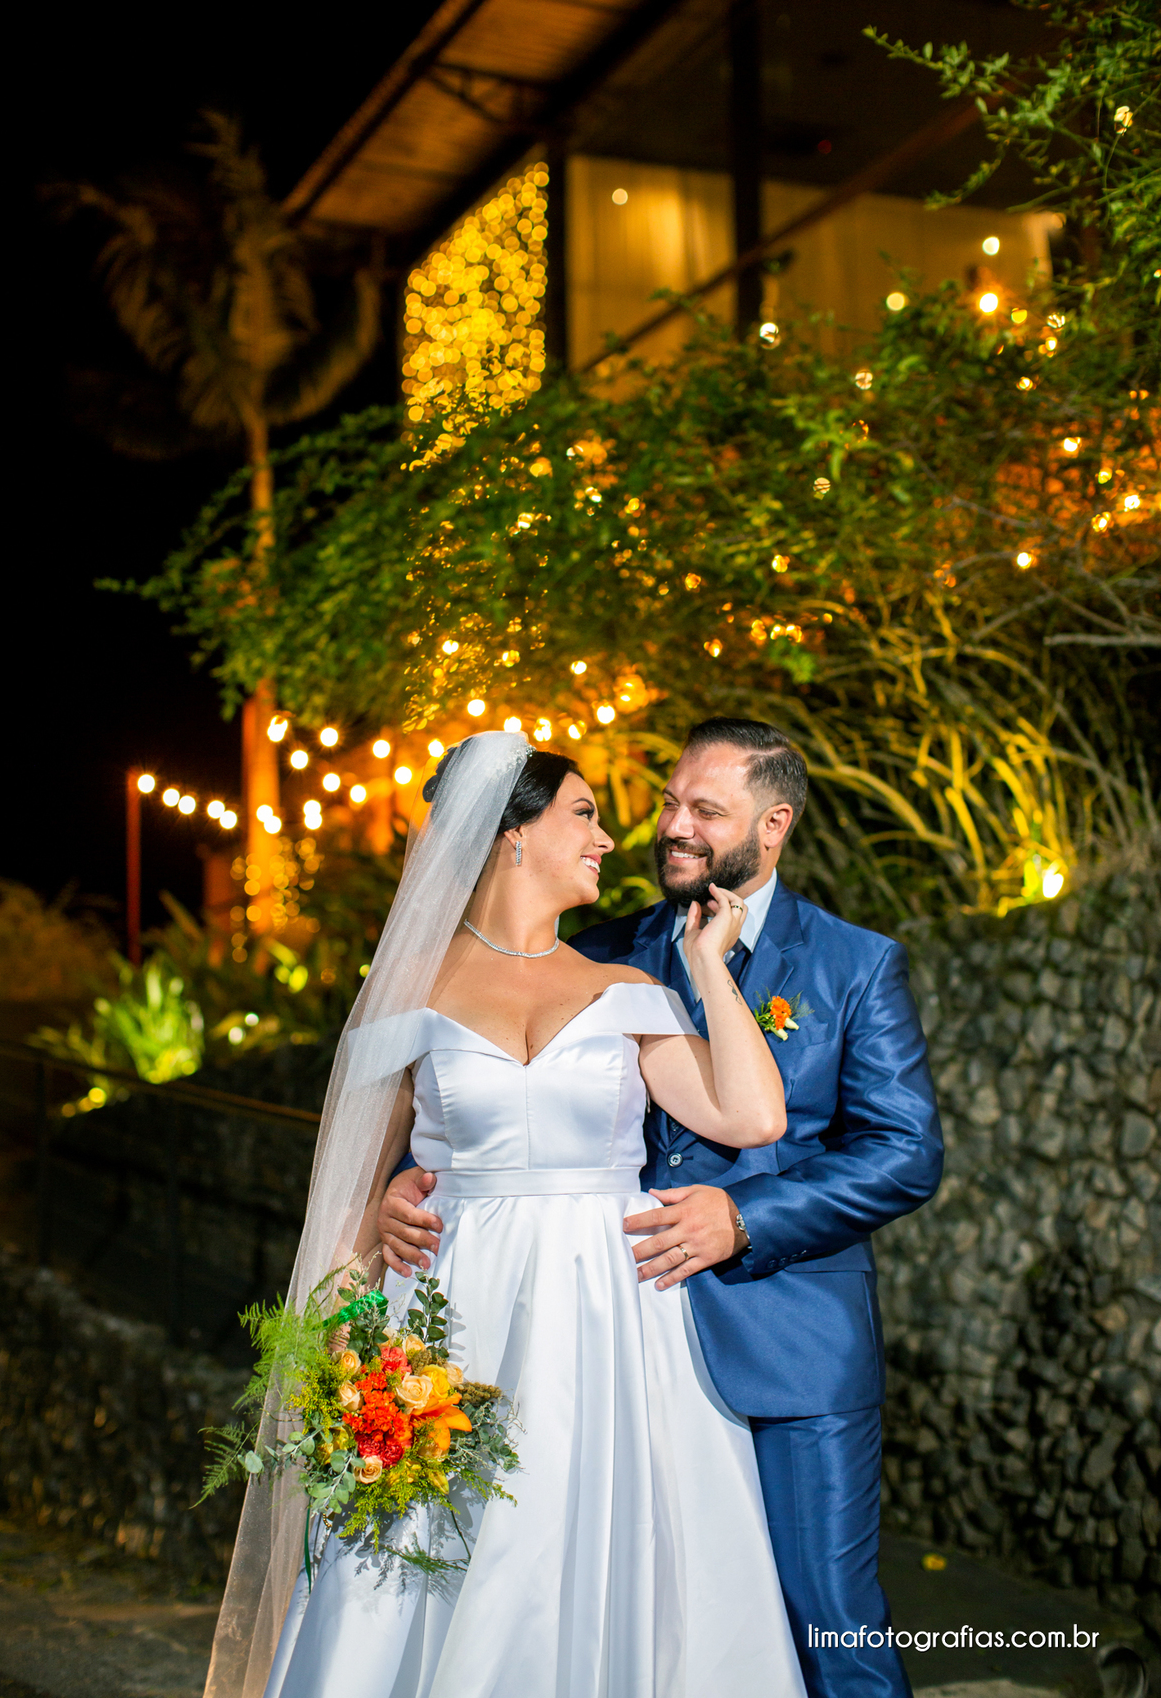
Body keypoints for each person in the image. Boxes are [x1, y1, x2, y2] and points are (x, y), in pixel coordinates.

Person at [210, 730, 807, 1698]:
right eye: (584, 814)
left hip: (616, 1326)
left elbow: (751, 1115)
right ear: (510, 836)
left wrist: (707, 967)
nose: (610, 840)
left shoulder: (628, 990)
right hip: (455, 1318)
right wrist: (381, 1214)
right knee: (430, 1562)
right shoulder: (403, 992)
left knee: (606, 1552)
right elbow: (347, 1184)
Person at [381, 718, 944, 1698]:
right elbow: (480, 1097)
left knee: (829, 1625)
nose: (673, 828)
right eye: (670, 804)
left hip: (787, 1343)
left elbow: (904, 1153)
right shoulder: (599, 949)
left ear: (772, 827)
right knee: (648, 1626)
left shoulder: (854, 964)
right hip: (611, 1343)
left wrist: (745, 1220)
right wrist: (403, 1177)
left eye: (706, 812)